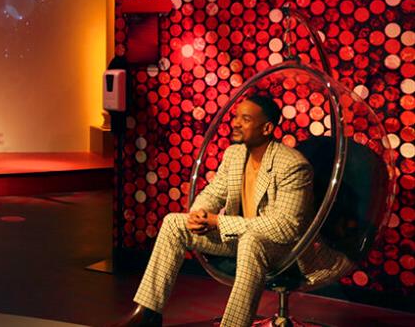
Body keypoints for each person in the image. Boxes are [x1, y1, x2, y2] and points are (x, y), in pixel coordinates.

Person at [113, 95, 352, 327]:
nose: (236, 123)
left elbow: (286, 228)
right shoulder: (234, 154)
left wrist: (218, 222)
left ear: (267, 128)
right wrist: (200, 213)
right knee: (174, 223)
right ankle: (147, 314)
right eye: (237, 117)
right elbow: (214, 192)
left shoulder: (293, 165)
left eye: (245, 119)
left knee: (251, 240)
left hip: (287, 249)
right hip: (243, 237)